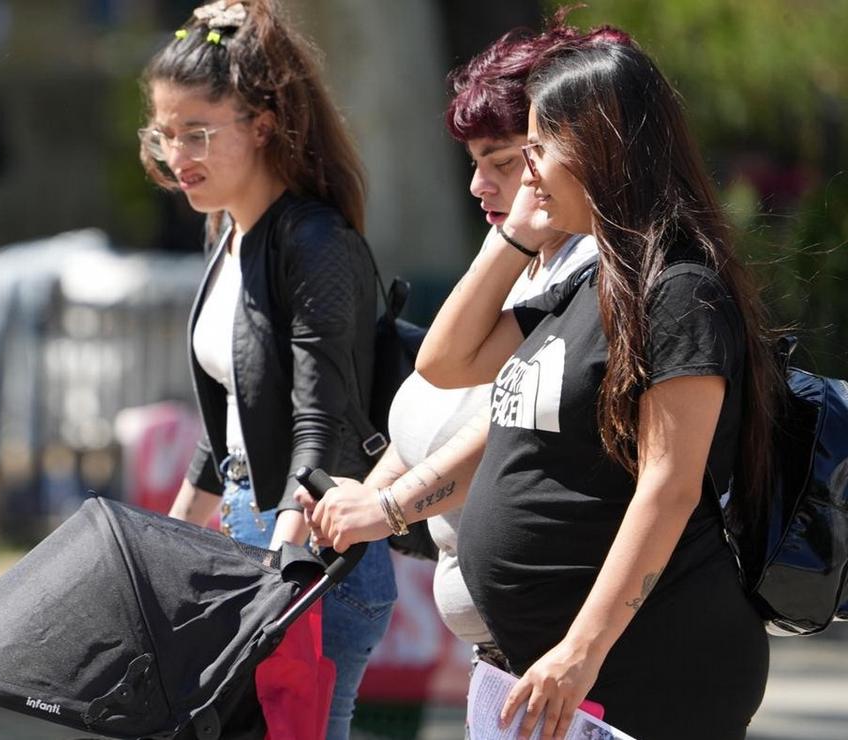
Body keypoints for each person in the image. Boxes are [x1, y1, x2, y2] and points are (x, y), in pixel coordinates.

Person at [303, 37, 778, 739]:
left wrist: (580, 652)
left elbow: (668, 489)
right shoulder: (587, 284)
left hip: (639, 677)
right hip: (538, 673)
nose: (525, 178)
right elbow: (446, 359)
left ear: (602, 151)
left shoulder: (679, 291)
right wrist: (517, 235)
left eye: (535, 152)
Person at [136, 1, 396, 737]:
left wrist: (286, 561)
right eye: (164, 133)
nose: (176, 153)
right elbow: (232, 415)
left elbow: (325, 418)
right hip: (254, 533)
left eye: (197, 133)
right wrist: (172, 538)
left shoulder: (314, 241)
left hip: (312, 550)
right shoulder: (227, 233)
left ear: (261, 124)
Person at [364, 17, 618, 673]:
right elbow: (439, 379)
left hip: (565, 647)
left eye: (505, 163)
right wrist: (366, 495)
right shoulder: (517, 244)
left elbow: (497, 421)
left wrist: (385, 511)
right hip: (503, 645)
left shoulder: (589, 268)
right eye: (475, 164)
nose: (481, 187)